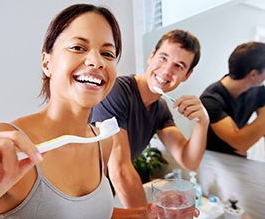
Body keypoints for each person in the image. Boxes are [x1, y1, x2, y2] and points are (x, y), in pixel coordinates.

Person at [0, 4, 161, 219]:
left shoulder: (102, 142)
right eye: (78, 48)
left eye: (107, 53)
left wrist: (146, 215)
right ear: (47, 63)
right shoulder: (5, 143)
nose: (96, 61)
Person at [90, 29, 210, 208]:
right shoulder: (117, 92)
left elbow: (188, 160)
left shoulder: (160, 109)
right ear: (151, 56)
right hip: (76, 192)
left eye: (179, 66)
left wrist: (203, 122)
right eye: (163, 57)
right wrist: (146, 214)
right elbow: (120, 171)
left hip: (102, 194)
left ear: (187, 75)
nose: (167, 70)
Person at [200, 42, 265, 157]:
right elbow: (239, 143)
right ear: (253, 74)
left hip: (238, 158)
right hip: (211, 160)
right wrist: (246, 138)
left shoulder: (258, 90)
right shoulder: (210, 99)